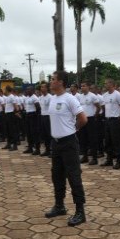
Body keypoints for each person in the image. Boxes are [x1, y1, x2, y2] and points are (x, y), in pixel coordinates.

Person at [44, 71, 88, 227]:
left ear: (61, 82)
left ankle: (80, 212)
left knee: (74, 176)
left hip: (68, 143)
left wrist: (73, 130)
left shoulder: (70, 99)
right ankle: (59, 205)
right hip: (55, 144)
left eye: (53, 79)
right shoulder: (52, 99)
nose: (51, 81)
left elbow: (83, 119)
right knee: (57, 175)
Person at [101, 79, 120, 169]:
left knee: (116, 141)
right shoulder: (104, 95)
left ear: (111, 84)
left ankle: (119, 161)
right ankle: (109, 160)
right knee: (107, 141)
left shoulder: (117, 94)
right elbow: (104, 107)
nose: (105, 84)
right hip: (107, 120)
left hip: (115, 120)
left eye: (106, 83)